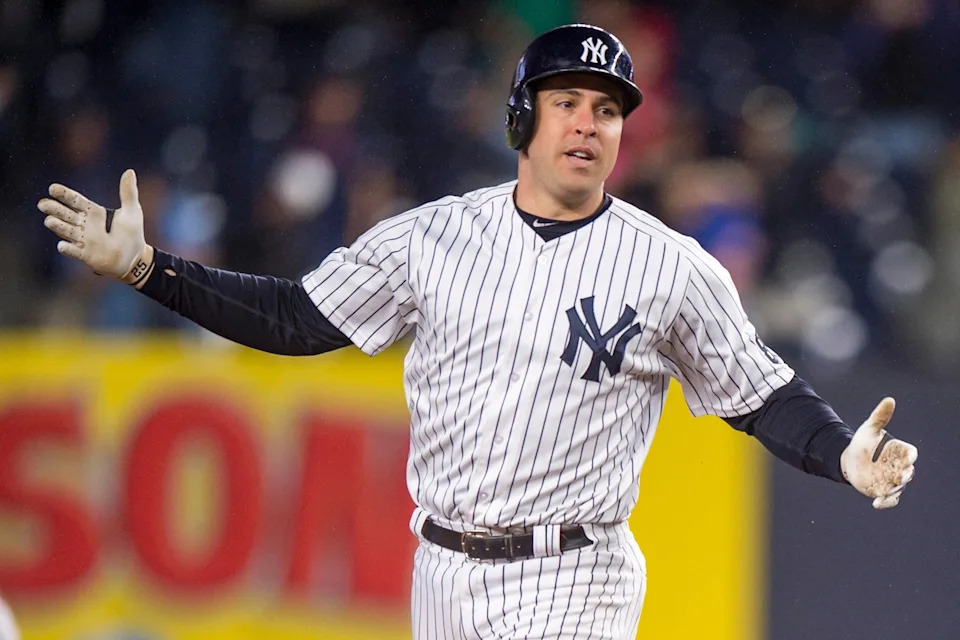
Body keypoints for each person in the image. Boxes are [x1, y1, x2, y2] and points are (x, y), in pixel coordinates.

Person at [37, 24, 918, 640]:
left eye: (606, 110)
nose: (587, 123)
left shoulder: (670, 265)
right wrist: (151, 270)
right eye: (566, 100)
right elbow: (298, 320)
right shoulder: (432, 235)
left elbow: (759, 391)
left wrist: (842, 454)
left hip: (575, 572)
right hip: (442, 569)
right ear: (521, 117)